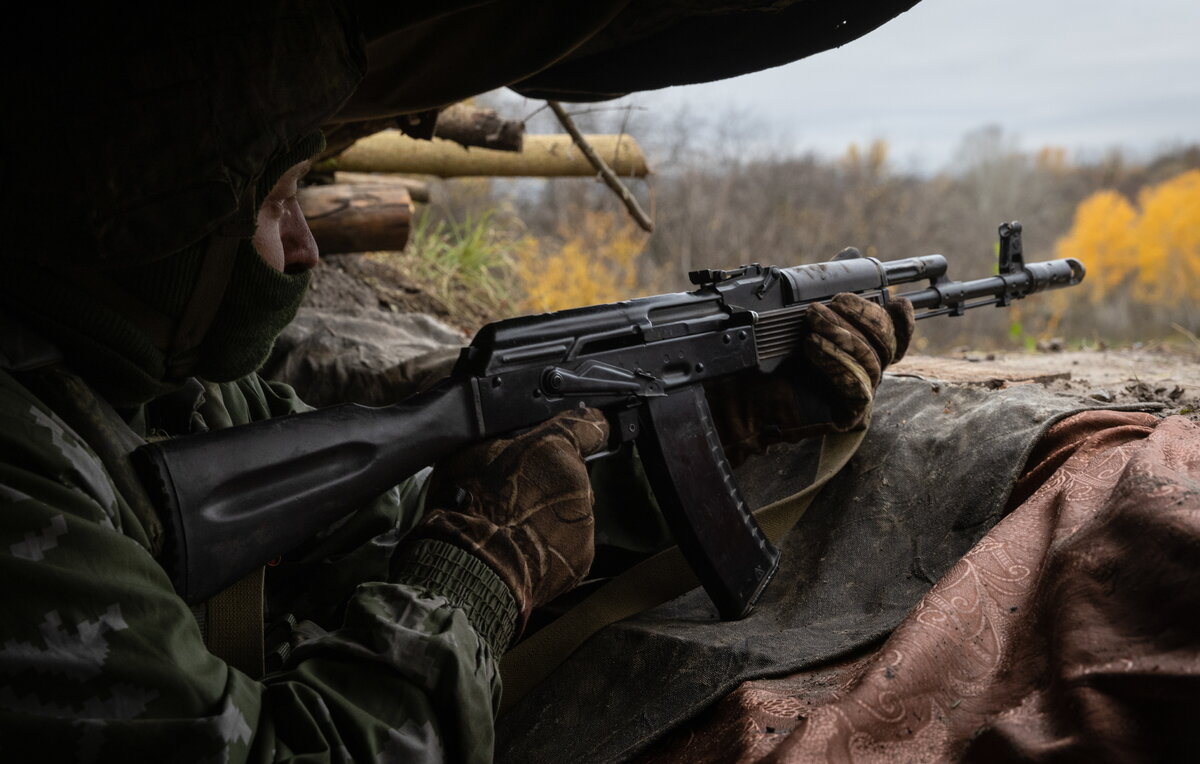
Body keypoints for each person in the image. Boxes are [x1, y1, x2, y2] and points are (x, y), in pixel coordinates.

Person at [0, 4, 914, 761]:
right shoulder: (23, 475)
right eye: (279, 203)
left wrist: (719, 420)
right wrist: (469, 588)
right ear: (161, 232)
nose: (307, 249)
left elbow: (414, 529)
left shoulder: (168, 392)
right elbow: (444, 576)